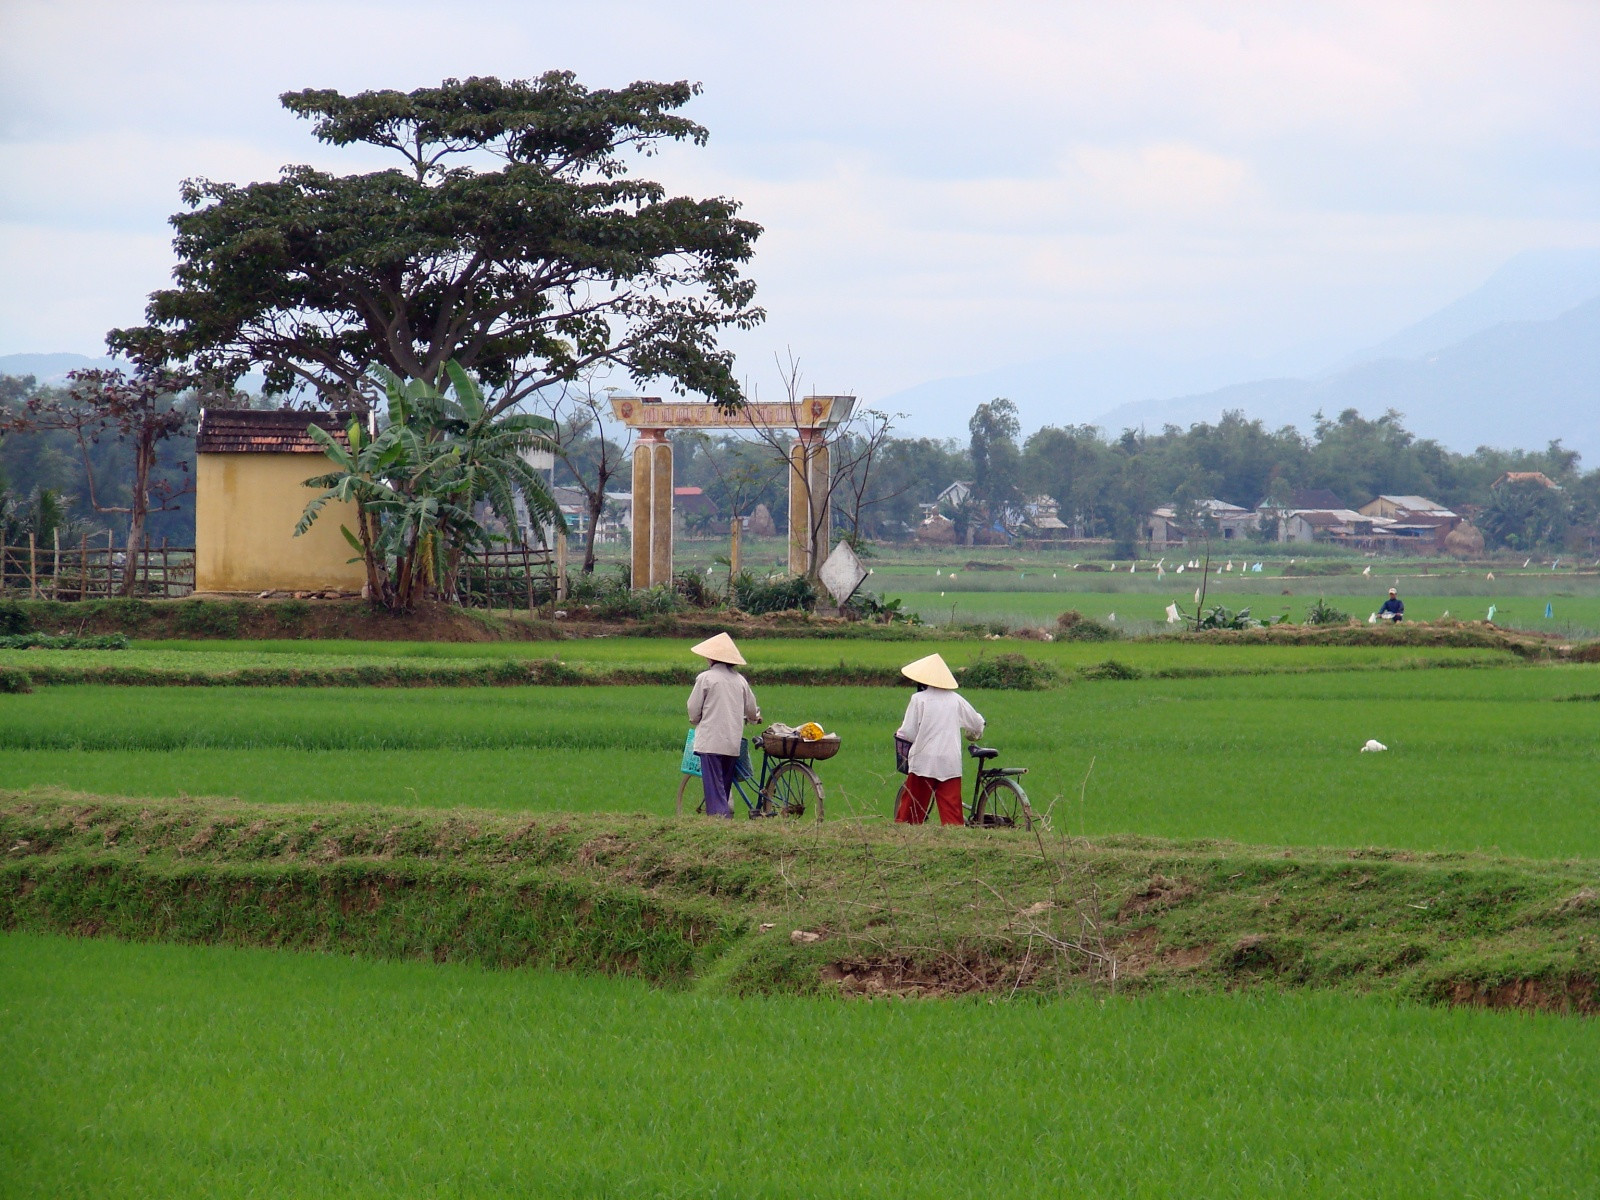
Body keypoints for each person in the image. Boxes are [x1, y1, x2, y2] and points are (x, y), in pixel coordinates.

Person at [894, 653, 985, 826]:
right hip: (949, 762)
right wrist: (975, 733)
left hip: (923, 761)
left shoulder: (919, 699)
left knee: (911, 811)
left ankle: (905, 835)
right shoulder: (956, 700)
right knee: (952, 816)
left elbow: (908, 733)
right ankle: (954, 837)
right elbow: (977, 723)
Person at [686, 632, 761, 818]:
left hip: (711, 743)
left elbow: (693, 709)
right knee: (724, 788)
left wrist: (696, 719)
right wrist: (754, 718)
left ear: (711, 658)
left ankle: (719, 823)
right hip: (732, 744)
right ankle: (723, 820)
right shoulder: (740, 680)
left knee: (714, 790)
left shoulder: (706, 678)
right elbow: (752, 710)